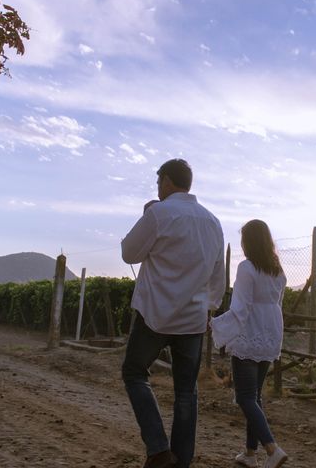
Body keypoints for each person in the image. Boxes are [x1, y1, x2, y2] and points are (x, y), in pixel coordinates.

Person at [121, 159, 226, 468]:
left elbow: (129, 253)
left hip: (155, 313)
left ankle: (158, 449)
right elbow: (219, 273)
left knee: (134, 372)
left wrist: (146, 214)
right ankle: (180, 461)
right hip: (193, 317)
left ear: (166, 181)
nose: (158, 189)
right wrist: (210, 307)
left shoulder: (159, 213)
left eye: (158, 183)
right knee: (186, 391)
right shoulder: (213, 222)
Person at [210, 219, 288, 468]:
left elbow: (240, 309)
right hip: (270, 336)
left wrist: (216, 324)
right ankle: (250, 453)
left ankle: (272, 449)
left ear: (248, 242)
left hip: (249, 335)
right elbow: (277, 305)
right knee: (255, 396)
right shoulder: (278, 270)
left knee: (244, 397)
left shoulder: (246, 268)